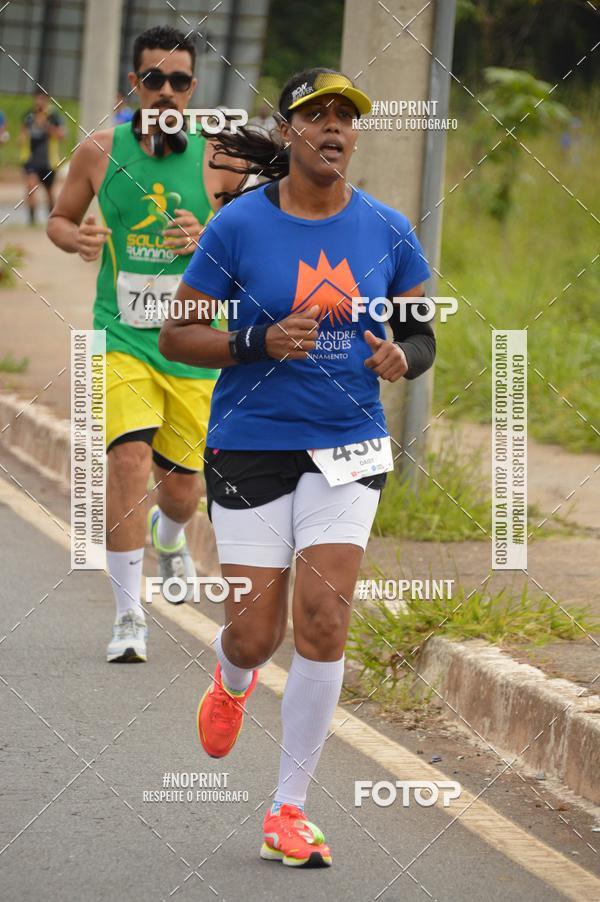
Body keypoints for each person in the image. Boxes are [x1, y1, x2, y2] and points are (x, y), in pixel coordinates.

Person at [159, 68, 435, 868]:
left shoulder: (386, 228)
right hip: (250, 440)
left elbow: (421, 337)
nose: (334, 127)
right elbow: (179, 336)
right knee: (255, 634)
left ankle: (288, 808)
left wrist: (399, 355)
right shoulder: (239, 226)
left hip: (348, 443)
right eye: (316, 115)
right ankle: (232, 676)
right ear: (288, 132)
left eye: (346, 116)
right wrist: (259, 341)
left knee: (323, 620)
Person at [47, 26, 245, 663]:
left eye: (178, 81)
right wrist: (70, 239)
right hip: (122, 338)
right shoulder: (99, 152)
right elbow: (59, 216)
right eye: (152, 79)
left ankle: (171, 536)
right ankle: (130, 616)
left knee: (182, 491)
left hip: (191, 346)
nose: (165, 92)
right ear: (133, 85)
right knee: (129, 461)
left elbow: (251, 245)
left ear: (193, 89)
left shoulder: (221, 159)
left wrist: (207, 237)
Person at [20, 91, 65, 224]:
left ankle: (52, 219)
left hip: (48, 161)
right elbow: (22, 135)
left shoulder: (54, 117)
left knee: (50, 192)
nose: (39, 101)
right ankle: (32, 219)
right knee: (31, 186)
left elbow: (61, 135)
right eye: (37, 98)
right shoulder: (29, 116)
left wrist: (46, 126)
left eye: (42, 99)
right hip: (31, 160)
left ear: (47, 100)